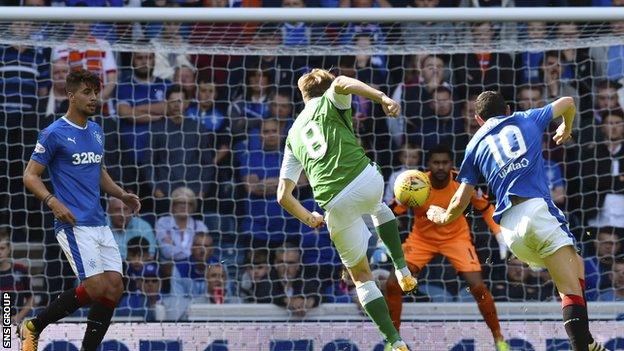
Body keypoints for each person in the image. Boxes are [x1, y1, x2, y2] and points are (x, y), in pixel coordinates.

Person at [426, 91, 606, 351]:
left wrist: (441, 216)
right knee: (571, 288)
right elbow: (568, 101)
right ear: (508, 109)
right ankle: (583, 345)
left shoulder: (474, 145)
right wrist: (566, 127)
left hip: (510, 230)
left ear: (478, 119)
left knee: (576, 268)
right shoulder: (526, 118)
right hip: (536, 212)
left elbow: (460, 201)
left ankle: (586, 341)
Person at [277, 68, 416, 351]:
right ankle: (401, 269)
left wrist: (309, 217)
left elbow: (283, 196)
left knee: (360, 277)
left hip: (333, 202)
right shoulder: (331, 99)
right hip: (365, 180)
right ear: (325, 90)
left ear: (303, 96)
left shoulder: (292, 135)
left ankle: (394, 339)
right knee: (377, 206)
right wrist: (382, 98)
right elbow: (341, 83)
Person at [20, 69, 141, 351]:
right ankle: (33, 326)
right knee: (97, 287)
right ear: (71, 96)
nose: (94, 98)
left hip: (99, 221)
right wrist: (52, 201)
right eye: (87, 93)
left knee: (115, 287)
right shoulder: (53, 133)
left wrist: (122, 195)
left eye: (96, 92)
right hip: (74, 224)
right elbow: (29, 175)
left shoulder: (97, 131)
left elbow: (98, 170)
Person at [385, 144, 509, 351]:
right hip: (421, 239)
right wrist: (380, 238)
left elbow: (486, 207)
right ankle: (394, 341)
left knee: (477, 286)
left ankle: (498, 338)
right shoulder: (415, 183)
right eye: (436, 162)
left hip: (456, 238)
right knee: (392, 284)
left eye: (445, 163)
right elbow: (391, 211)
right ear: (428, 165)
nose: (441, 167)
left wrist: (499, 234)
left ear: (451, 164)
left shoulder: (464, 182)